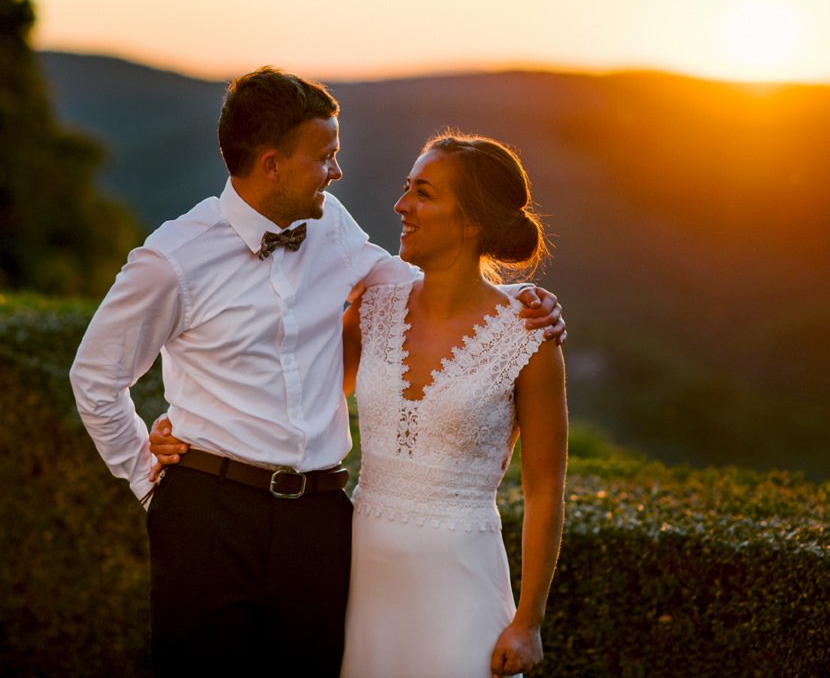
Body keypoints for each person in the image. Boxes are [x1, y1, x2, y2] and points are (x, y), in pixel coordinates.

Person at [69, 67, 565, 677]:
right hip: (209, 514)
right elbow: (95, 376)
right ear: (272, 164)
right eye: (325, 156)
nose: (337, 171)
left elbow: (415, 293)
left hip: (322, 522)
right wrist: (148, 475)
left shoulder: (333, 223)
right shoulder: (172, 259)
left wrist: (516, 305)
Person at [338, 132, 568, 677]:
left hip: (463, 585)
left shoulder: (529, 334)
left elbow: (544, 489)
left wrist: (529, 620)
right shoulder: (372, 307)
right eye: (405, 189)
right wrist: (189, 422)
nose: (401, 206)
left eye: (423, 193)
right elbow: (299, 396)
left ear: (471, 221)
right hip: (361, 578)